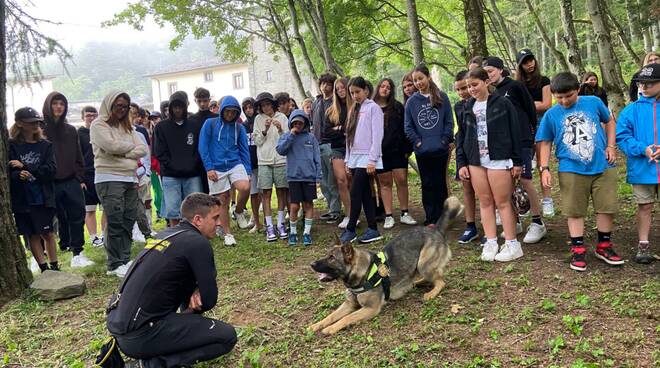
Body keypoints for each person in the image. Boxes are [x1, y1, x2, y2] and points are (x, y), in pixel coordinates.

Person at [106, 193, 237, 367]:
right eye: (215, 218)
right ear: (198, 219)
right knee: (226, 337)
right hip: (141, 335)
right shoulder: (198, 243)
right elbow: (209, 300)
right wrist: (195, 301)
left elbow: (180, 278)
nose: (219, 223)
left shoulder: (166, 234)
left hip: (120, 328)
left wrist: (195, 292)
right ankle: (150, 365)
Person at [536, 72, 623, 272]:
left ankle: (604, 246)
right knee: (574, 210)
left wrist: (611, 146)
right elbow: (546, 141)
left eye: (569, 96)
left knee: (606, 207)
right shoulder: (551, 114)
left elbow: (609, 121)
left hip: (602, 164)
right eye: (559, 97)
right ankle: (577, 248)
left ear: (578, 90)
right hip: (571, 168)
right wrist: (544, 168)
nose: (564, 101)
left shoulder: (593, 102)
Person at [457, 67, 523, 262]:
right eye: (468, 86)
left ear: (487, 82)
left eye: (475, 85)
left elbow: (515, 132)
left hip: (500, 158)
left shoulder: (503, 103)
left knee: (503, 202)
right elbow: (461, 136)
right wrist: (462, 162)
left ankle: (512, 244)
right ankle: (491, 242)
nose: (471, 89)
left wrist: (517, 161)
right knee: (485, 202)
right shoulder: (467, 107)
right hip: (476, 161)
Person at [483, 56, 546, 244]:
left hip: (522, 140)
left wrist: (529, 134)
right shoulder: (490, 93)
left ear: (500, 70)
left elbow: (529, 109)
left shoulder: (515, 86)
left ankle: (537, 222)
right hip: (503, 144)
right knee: (508, 183)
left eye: (490, 71)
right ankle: (515, 220)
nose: (489, 76)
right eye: (485, 73)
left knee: (526, 180)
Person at [91, 90, 148, 278]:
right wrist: (129, 151)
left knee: (128, 219)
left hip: (130, 178)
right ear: (109, 105)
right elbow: (110, 146)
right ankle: (114, 263)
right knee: (114, 220)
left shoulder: (129, 128)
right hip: (108, 177)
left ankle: (124, 258)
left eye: (125, 107)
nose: (121, 110)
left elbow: (143, 149)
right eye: (118, 106)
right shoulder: (98, 124)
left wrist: (122, 153)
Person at [42, 92, 94, 268]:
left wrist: (80, 177)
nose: (58, 107)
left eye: (62, 104)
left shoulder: (71, 130)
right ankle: (42, 256)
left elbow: (79, 156)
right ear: (48, 105)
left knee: (76, 216)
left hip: (71, 180)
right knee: (46, 220)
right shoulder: (40, 129)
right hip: (48, 182)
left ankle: (77, 253)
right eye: (55, 103)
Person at [616, 63, 660, 264]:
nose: (644, 86)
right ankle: (643, 245)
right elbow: (623, 138)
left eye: (650, 83)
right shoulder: (630, 111)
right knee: (645, 205)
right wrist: (644, 149)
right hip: (642, 168)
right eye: (642, 83)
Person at [9, 107, 59, 272]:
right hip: (23, 198)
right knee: (32, 234)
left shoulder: (45, 146)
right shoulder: (12, 145)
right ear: (20, 124)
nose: (36, 125)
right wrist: (19, 174)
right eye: (31, 122)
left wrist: (26, 166)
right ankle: (43, 268)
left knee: (48, 233)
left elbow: (50, 170)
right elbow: (9, 171)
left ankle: (54, 265)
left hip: (43, 196)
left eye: (37, 122)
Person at [404, 64, 454, 227]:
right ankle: (431, 218)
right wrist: (418, 142)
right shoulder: (412, 102)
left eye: (420, 79)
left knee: (440, 183)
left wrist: (444, 140)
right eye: (415, 80)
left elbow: (448, 121)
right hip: (422, 151)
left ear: (428, 78)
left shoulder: (442, 97)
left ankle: (442, 217)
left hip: (440, 149)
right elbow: (408, 126)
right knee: (427, 183)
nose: (418, 83)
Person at [198, 96, 252, 246]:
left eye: (233, 112)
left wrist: (247, 169)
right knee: (223, 200)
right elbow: (203, 147)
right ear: (222, 110)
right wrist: (209, 168)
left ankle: (239, 211)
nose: (230, 115)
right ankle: (228, 233)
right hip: (216, 166)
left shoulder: (239, 127)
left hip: (235, 163)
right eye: (227, 111)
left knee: (245, 186)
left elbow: (244, 149)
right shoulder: (210, 123)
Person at [339, 76, 384, 244]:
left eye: (357, 92)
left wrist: (372, 160)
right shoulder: (353, 110)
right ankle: (373, 228)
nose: (355, 96)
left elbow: (377, 136)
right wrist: (348, 160)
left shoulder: (374, 108)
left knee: (355, 191)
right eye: (352, 93)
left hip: (368, 158)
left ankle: (350, 229)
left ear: (366, 90)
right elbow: (349, 138)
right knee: (365, 193)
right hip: (355, 158)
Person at [153, 91, 204, 227]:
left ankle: (194, 234)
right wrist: (172, 166)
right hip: (171, 175)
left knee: (195, 208)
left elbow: (199, 149)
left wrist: (193, 165)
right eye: (174, 107)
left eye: (180, 106)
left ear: (185, 107)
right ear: (170, 108)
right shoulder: (161, 127)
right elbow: (159, 152)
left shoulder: (194, 125)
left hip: (192, 174)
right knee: (173, 210)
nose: (177, 110)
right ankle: (175, 234)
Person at [515, 49, 555, 217]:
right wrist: (533, 103)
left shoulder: (544, 80)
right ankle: (524, 200)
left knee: (541, 161)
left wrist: (528, 103)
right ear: (520, 66)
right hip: (523, 124)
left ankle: (547, 199)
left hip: (541, 123)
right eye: (525, 62)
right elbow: (517, 105)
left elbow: (546, 104)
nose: (530, 64)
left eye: (531, 60)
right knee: (523, 164)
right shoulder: (518, 84)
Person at [373, 78, 416, 229]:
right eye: (383, 86)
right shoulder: (371, 107)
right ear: (378, 88)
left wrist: (407, 150)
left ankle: (405, 213)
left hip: (398, 151)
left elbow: (406, 128)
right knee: (385, 184)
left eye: (388, 87)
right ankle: (389, 215)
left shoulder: (398, 107)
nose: (385, 89)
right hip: (380, 153)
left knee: (402, 180)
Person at [276, 109, 321, 246]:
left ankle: (307, 233)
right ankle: (293, 232)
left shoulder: (311, 138)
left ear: (305, 123)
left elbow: (317, 157)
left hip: (308, 177)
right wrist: (290, 136)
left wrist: (318, 175)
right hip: (294, 177)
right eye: (295, 123)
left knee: (308, 204)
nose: (298, 126)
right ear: (291, 123)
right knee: (294, 206)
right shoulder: (286, 136)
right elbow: (280, 150)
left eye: (300, 123)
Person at [254, 92, 290, 241]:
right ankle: (269, 226)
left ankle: (280, 223)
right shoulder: (258, 119)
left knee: (282, 192)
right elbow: (257, 141)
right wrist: (264, 130)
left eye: (268, 104)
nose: (266, 108)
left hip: (281, 160)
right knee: (266, 194)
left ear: (273, 104)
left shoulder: (282, 117)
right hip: (264, 161)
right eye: (262, 105)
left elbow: (288, 140)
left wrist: (281, 129)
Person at [311, 73, 342, 222]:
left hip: (330, 144)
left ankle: (336, 210)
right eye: (323, 84)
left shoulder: (335, 103)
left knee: (332, 180)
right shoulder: (316, 102)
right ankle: (331, 208)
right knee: (322, 181)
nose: (325, 86)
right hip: (316, 144)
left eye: (328, 84)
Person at [453, 70, 479, 243]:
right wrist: (461, 159)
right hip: (465, 152)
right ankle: (471, 226)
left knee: (486, 193)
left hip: (484, 154)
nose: (462, 92)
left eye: (465, 88)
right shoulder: (458, 106)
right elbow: (460, 133)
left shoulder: (483, 103)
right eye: (458, 89)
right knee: (467, 188)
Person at [324, 77, 353, 228]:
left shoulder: (355, 107)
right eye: (338, 89)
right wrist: (340, 129)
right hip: (337, 149)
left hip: (354, 148)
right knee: (341, 180)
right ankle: (348, 215)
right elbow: (327, 132)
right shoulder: (331, 110)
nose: (341, 91)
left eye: (343, 88)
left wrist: (339, 129)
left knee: (351, 179)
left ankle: (355, 213)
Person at [78, 106, 105, 247]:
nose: (91, 117)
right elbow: (76, 158)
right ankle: (94, 237)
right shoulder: (79, 134)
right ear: (83, 117)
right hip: (87, 176)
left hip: (102, 172)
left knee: (106, 208)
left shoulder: (102, 132)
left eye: (94, 115)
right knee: (90, 209)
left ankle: (105, 236)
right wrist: (80, 179)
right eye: (88, 115)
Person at [241, 97, 263, 233]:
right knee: (253, 193)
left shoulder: (260, 121)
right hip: (250, 164)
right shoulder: (242, 126)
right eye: (246, 108)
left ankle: (268, 220)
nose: (249, 110)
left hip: (263, 162)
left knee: (264, 192)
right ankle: (256, 220)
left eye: (251, 107)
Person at [147, 111, 164, 219]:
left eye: (156, 118)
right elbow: (152, 153)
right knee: (158, 191)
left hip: (165, 167)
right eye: (152, 119)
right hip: (155, 168)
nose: (154, 121)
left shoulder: (164, 130)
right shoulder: (151, 133)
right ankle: (160, 211)